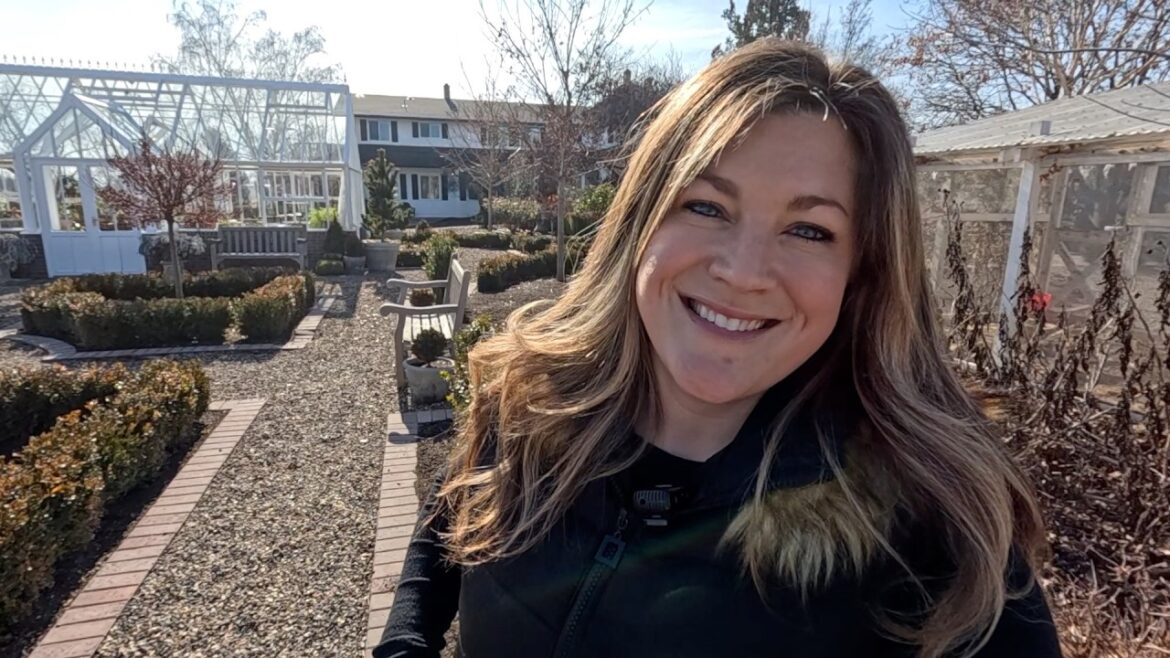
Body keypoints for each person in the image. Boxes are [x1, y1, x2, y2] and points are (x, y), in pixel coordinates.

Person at [373, 39, 1062, 658]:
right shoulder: (531, 396)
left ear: (864, 273)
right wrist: (405, 641)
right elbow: (453, 515)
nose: (742, 270)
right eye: (707, 207)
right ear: (642, 222)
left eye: (810, 230)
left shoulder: (933, 527)